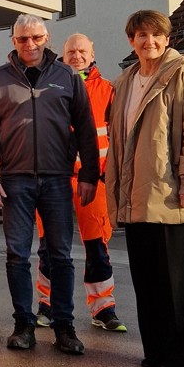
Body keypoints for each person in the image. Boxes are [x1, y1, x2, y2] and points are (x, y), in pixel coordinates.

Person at [0, 14, 99, 355]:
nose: (29, 44)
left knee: (60, 255)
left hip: (58, 180)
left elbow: (86, 129)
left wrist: (89, 175)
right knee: (17, 256)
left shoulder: (68, 76)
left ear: (47, 38)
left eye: (35, 38)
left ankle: (64, 327)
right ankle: (23, 325)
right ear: (13, 41)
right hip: (14, 180)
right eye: (21, 39)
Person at [105, 10, 184, 367]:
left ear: (166, 38)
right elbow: (120, 141)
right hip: (138, 196)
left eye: (156, 35)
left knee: (179, 280)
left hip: (173, 193)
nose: (148, 41)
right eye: (141, 35)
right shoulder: (124, 82)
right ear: (131, 41)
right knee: (148, 279)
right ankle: (158, 352)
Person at [35, 34, 126, 332]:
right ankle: (46, 307)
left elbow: (120, 138)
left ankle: (103, 309)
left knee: (97, 245)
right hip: (55, 181)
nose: (76, 55)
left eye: (82, 50)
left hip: (95, 179)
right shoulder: (48, 87)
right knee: (50, 248)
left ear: (92, 52)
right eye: (71, 51)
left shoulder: (109, 91)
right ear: (63, 55)